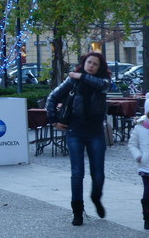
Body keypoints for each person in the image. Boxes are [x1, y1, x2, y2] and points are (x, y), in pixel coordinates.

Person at [45, 51, 111, 226]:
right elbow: (52, 98)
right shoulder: (72, 81)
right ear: (84, 63)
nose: (91, 66)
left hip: (96, 132)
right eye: (89, 62)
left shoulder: (103, 81)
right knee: (77, 173)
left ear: (99, 67)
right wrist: (54, 121)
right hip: (75, 131)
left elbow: (103, 85)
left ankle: (96, 197)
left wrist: (81, 76)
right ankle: (77, 211)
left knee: (98, 173)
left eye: (95, 64)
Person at [128, 100, 149, 230]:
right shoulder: (140, 127)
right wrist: (138, 156)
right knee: (147, 193)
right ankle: (147, 217)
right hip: (146, 166)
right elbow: (132, 144)